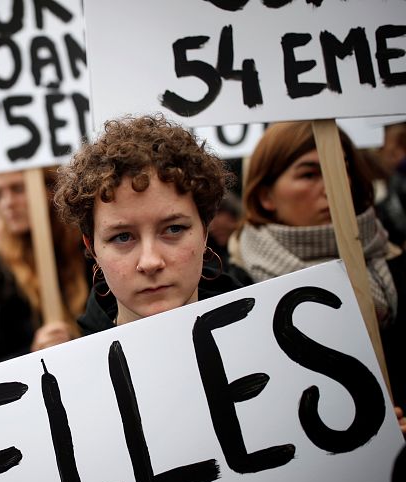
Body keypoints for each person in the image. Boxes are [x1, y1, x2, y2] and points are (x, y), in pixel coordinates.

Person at [233, 120, 406, 411]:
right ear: (265, 196)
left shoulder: (396, 265)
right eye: (309, 174)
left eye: (342, 168)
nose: (334, 186)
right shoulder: (235, 290)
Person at [53, 114, 245, 333]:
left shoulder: (263, 337)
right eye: (122, 237)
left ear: (204, 231)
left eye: (174, 229)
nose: (150, 262)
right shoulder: (76, 355)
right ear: (92, 248)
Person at [0, 167, 89, 371]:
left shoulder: (89, 252)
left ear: (52, 190)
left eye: (18, 189)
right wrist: (32, 355)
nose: (7, 203)